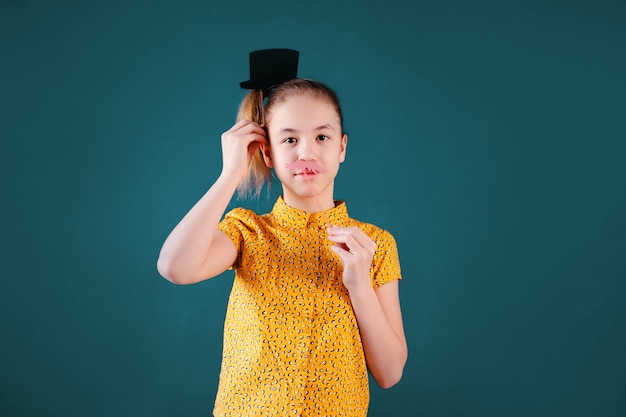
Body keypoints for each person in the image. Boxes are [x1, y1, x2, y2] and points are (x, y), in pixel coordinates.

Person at [157, 49, 407, 417]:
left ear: (342, 148)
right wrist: (231, 175)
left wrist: (359, 283)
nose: (306, 152)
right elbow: (175, 268)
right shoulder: (247, 232)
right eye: (289, 140)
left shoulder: (375, 245)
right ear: (268, 153)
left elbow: (390, 373)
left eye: (322, 137)